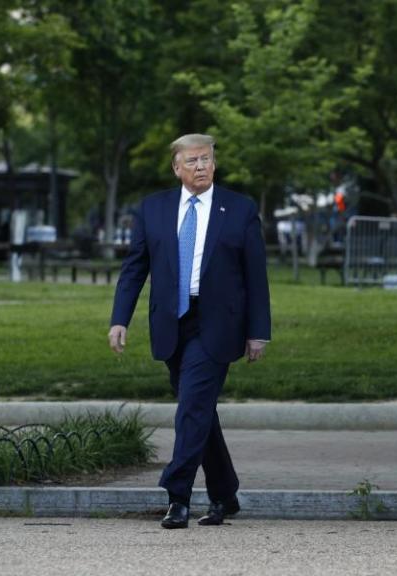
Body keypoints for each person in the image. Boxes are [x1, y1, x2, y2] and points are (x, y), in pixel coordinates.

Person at [108, 133, 271, 529]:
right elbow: (135, 269)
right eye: (193, 161)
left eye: (207, 159)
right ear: (176, 168)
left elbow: (256, 276)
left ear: (215, 164)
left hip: (218, 324)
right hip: (171, 323)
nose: (201, 167)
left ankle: (176, 494)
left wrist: (258, 331)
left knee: (192, 408)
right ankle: (225, 493)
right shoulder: (153, 209)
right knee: (200, 412)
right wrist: (119, 319)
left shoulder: (240, 209)